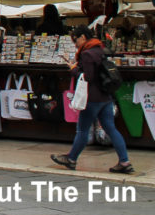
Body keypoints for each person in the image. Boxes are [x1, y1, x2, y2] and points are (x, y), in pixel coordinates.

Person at [51, 26, 133, 173]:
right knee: (111, 128)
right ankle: (125, 161)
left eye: (75, 40)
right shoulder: (99, 49)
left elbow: (87, 77)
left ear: (82, 37)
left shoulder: (87, 54)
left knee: (82, 130)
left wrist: (73, 69)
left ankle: (71, 159)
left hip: (92, 98)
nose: (75, 44)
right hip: (105, 97)